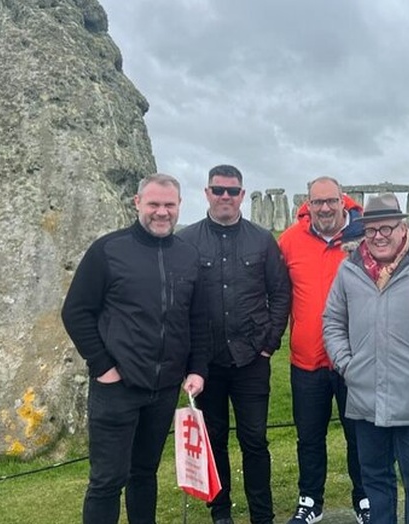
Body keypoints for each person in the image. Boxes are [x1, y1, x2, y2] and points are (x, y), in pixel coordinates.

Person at [61, 173, 208, 524]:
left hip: (164, 387)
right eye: (154, 204)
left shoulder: (188, 256)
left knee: (145, 473)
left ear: (179, 206)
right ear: (137, 203)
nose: (161, 212)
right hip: (117, 386)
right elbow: (76, 311)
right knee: (107, 479)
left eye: (169, 205)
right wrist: (102, 366)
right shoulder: (109, 250)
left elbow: (198, 319)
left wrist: (197, 368)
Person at [323, 193, 409, 524]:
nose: (378, 236)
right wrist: (347, 366)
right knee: (376, 484)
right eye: (371, 230)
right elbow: (332, 322)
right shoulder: (349, 269)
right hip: (365, 397)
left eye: (386, 228)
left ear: (404, 227)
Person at [178, 164, 291, 524]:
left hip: (251, 358)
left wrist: (269, 344)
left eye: (232, 191)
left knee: (255, 440)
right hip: (206, 362)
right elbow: (179, 301)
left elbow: (281, 293)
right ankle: (221, 512)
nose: (225, 196)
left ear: (242, 195)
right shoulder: (187, 241)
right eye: (218, 190)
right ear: (207, 193)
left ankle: (263, 515)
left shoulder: (262, 240)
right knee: (215, 439)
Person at [277, 176, 369, 524]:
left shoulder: (364, 237)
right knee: (309, 436)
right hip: (307, 358)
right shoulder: (289, 241)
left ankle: (364, 498)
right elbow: (276, 293)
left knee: (360, 434)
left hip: (356, 357)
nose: (326, 208)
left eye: (332, 201)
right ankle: (310, 500)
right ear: (308, 204)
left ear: (343, 200)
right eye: (318, 202)